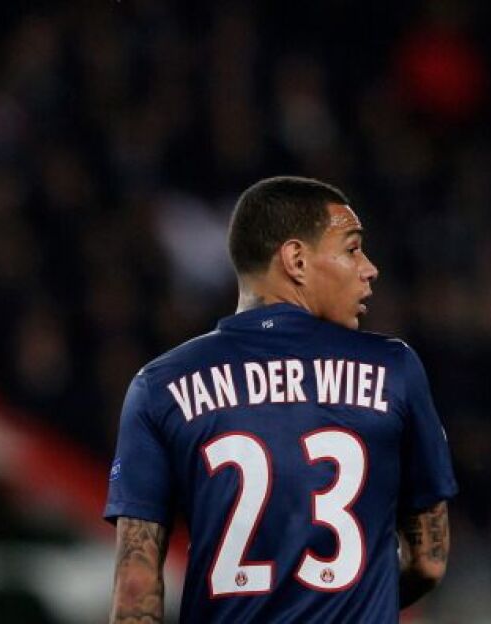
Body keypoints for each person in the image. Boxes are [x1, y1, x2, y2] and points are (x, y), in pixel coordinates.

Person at [105, 176, 457, 623]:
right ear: (296, 260)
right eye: (352, 249)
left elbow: (135, 588)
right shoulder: (393, 370)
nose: (369, 268)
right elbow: (428, 561)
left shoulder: (159, 385)